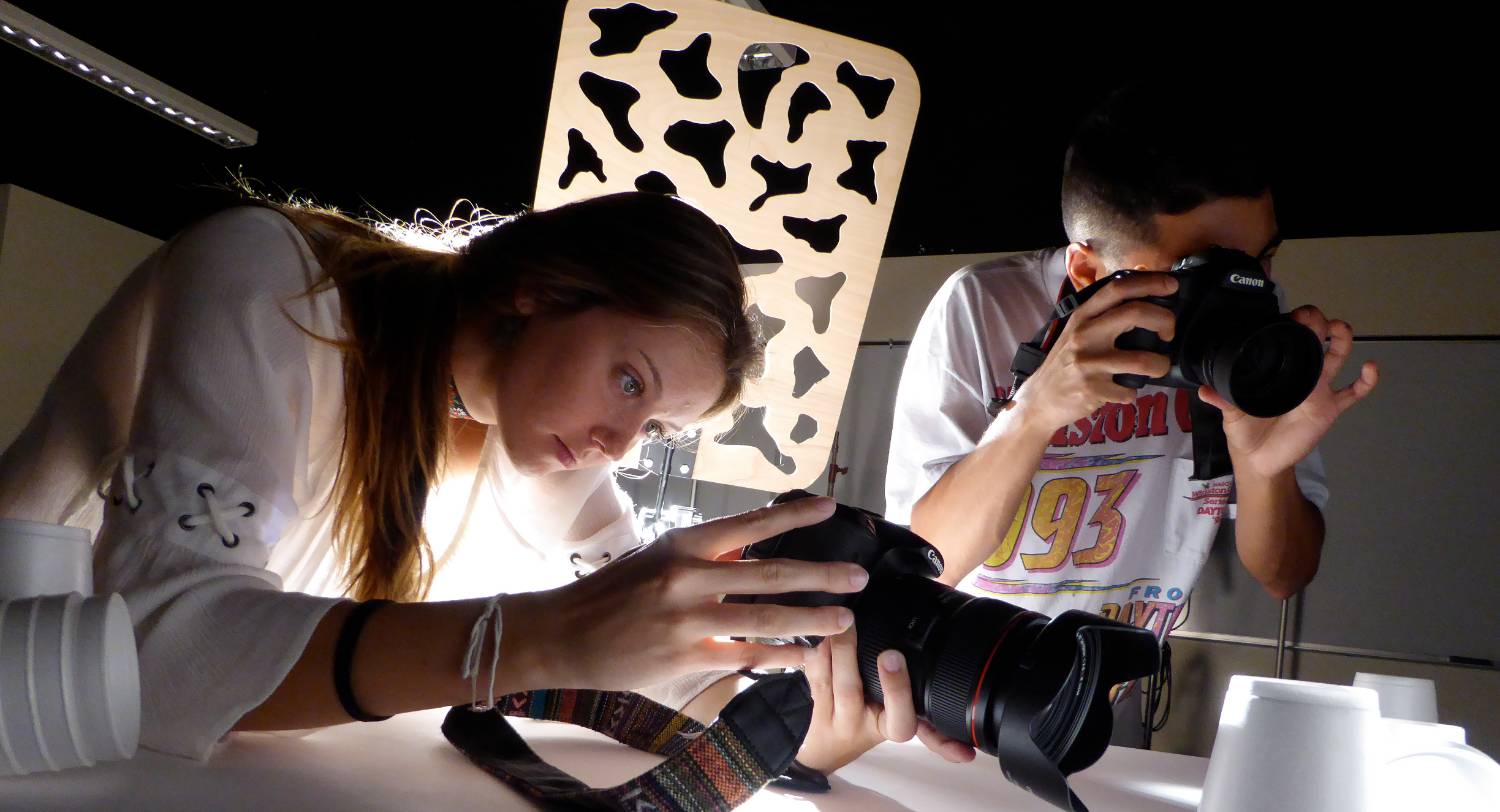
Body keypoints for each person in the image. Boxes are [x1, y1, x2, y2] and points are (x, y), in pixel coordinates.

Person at [0, 190, 927, 768]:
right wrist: (534, 637)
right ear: (542, 289)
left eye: (653, 426)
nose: (618, 442)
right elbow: (156, 656)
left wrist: (788, 735)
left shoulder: (531, 439)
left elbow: (667, 667)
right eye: (629, 380)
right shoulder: (267, 275)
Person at [884, 82, 1380, 741]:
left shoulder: (1253, 330)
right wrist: (1033, 413)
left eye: (1260, 260)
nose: (1240, 290)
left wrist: (1264, 468)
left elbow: (1286, 573)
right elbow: (927, 562)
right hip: (963, 688)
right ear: (1089, 272)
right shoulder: (985, 308)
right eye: (1199, 270)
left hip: (1110, 691)